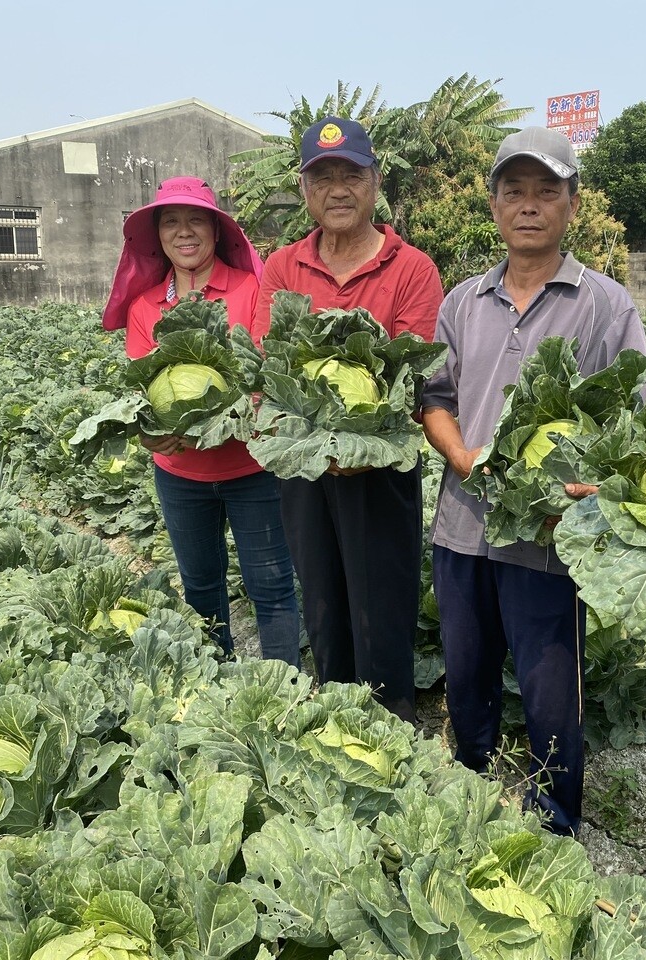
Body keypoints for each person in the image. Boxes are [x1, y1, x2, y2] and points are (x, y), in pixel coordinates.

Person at [420, 127, 646, 837]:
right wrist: (462, 458)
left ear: (572, 205)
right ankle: (470, 779)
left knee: (552, 690)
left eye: (547, 191)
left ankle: (554, 815)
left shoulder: (607, 305)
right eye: (514, 191)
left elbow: (633, 421)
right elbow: (435, 400)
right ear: (493, 207)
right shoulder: (462, 301)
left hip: (551, 536)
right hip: (463, 524)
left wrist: (587, 492)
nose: (529, 206)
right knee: (465, 671)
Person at [251, 117, 444, 723]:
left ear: (375, 183)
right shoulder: (282, 267)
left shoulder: (412, 268)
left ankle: (391, 728)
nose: (338, 189)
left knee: (382, 602)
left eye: (352, 175)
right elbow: (267, 365)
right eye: (323, 176)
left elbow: (410, 377)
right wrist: (309, 443)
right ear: (305, 189)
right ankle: (334, 720)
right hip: (302, 465)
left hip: (380, 465)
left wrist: (354, 444)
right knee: (323, 600)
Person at [102, 176, 300, 666]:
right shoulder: (145, 306)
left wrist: (237, 412)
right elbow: (144, 386)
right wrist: (154, 434)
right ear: (158, 235)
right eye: (171, 222)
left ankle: (287, 693)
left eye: (196, 220)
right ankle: (215, 688)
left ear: (216, 230)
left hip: (253, 469)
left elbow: (267, 372)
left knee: (272, 587)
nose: (184, 232)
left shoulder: (253, 289)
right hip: (181, 476)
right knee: (201, 588)